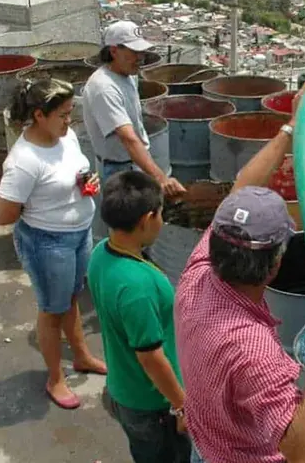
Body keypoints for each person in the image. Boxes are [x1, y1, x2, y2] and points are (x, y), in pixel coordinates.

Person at [176, 79, 305, 463]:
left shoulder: (197, 273)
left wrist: (291, 128)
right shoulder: (252, 350)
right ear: (276, 264)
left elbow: (240, 190)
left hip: (208, 444)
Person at [0, 78, 107, 410]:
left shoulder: (66, 137)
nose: (69, 121)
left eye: (70, 113)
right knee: (52, 310)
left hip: (78, 233)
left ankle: (82, 356)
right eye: (62, 114)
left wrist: (88, 182)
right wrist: (40, 204)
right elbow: (2, 215)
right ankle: (55, 377)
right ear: (40, 115)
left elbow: (74, 171)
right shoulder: (24, 161)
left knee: (71, 298)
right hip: (47, 242)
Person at [89, 171, 190, 463]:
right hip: (152, 405)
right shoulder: (137, 288)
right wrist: (181, 406)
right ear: (147, 220)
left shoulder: (100, 254)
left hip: (124, 387)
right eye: (160, 214)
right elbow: (151, 357)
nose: (162, 220)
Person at [83, 20, 184, 196]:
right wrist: (161, 178)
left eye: (142, 52)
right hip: (118, 171)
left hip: (136, 162)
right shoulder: (104, 88)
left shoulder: (128, 75)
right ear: (114, 51)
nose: (140, 57)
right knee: (126, 221)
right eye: (134, 52)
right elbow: (128, 138)